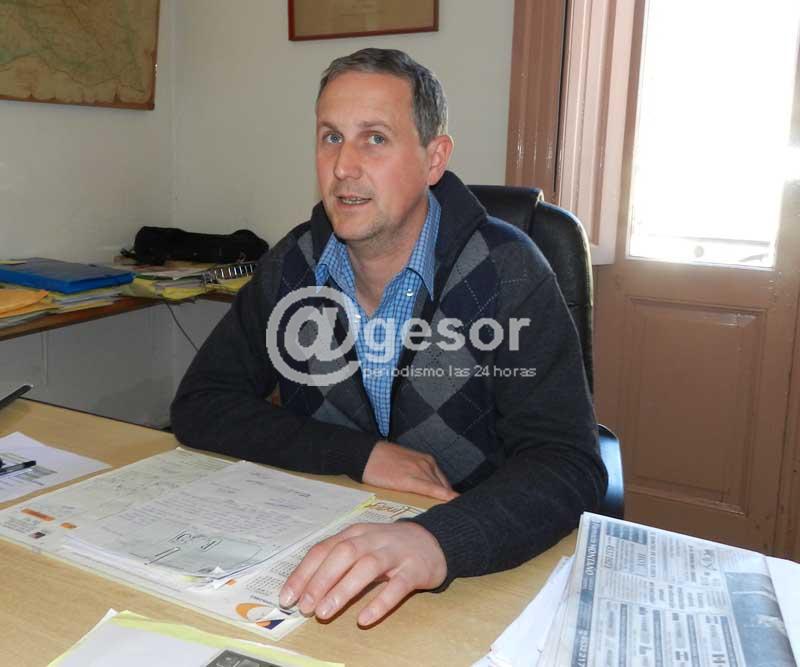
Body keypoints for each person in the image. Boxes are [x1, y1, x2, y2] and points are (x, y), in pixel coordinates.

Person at [171, 48, 607, 627]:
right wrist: (358, 454)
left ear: (434, 159)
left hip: (473, 571)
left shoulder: (508, 271)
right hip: (313, 560)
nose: (343, 166)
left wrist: (437, 540)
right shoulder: (293, 265)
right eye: (331, 137)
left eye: (374, 139)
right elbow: (201, 404)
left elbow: (569, 464)